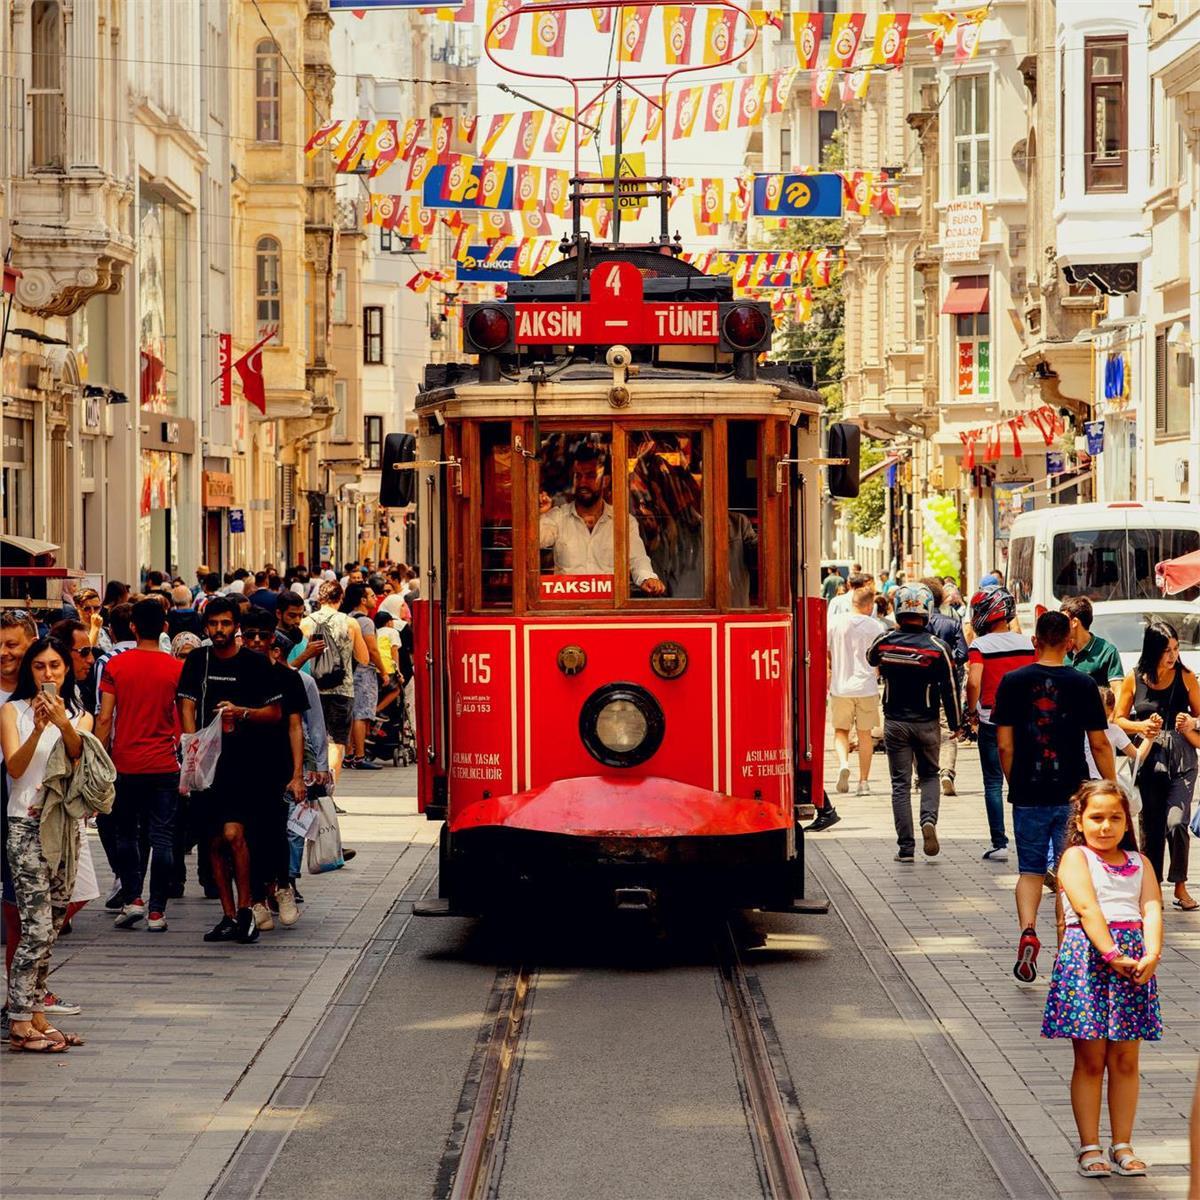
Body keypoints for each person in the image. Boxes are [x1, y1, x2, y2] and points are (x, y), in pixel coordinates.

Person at [1041, 780, 1162, 1179]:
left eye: (1115, 817)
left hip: (1133, 963)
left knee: (1126, 1059)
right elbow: (1087, 908)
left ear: (1128, 821)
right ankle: (1089, 1145)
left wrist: (1151, 954)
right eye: (1097, 818)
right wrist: (1113, 955)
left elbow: (1151, 907)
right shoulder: (1075, 858)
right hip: (1090, 959)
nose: (1106, 826)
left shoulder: (1140, 862)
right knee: (1091, 1060)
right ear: (1081, 820)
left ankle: (1123, 1143)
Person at [993, 610, 1115, 984]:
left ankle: (1028, 930)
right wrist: (1110, 786)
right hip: (1071, 793)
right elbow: (1099, 743)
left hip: (1028, 792)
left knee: (1030, 871)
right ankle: (1065, 956)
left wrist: (1015, 781)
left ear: (1035, 642)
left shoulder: (1012, 682)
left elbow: (1004, 745)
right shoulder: (1082, 684)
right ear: (1069, 643)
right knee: (1069, 876)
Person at [1, 637, 92, 1051]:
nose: (49, 674)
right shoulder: (11, 711)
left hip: (66, 828)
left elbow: (78, 758)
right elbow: (16, 769)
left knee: (53, 926)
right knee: (34, 927)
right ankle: (19, 1021)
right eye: (40, 667)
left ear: (66, 669)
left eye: (55, 665)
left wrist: (63, 723)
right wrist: (37, 729)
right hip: (24, 826)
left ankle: (35, 1013)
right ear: (29, 671)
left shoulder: (79, 714)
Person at [177, 598, 283, 944]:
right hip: (207, 767)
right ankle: (228, 915)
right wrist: (193, 750)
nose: (219, 630)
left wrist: (242, 712)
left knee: (236, 835)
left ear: (235, 625)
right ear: (204, 626)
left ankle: (246, 909)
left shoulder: (254, 663)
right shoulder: (197, 659)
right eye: (213, 624)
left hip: (244, 764)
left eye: (225, 623)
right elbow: (187, 703)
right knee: (212, 840)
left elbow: (276, 714)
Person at [94, 598, 183, 933]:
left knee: (126, 833)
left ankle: (133, 899)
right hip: (164, 763)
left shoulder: (117, 666)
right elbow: (184, 717)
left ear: (132, 627)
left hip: (125, 763)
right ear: (164, 627)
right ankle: (158, 912)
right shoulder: (176, 668)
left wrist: (99, 756)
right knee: (162, 836)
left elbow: (105, 718)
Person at [866, 584, 962, 863]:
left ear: (899, 611)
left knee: (900, 784)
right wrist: (956, 723)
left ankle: (906, 848)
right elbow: (951, 688)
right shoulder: (937, 648)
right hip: (928, 723)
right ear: (927, 612)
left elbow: (870, 657)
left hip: (895, 723)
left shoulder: (885, 641)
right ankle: (928, 820)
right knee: (930, 775)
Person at [1114, 618, 1200, 912]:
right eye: (1166, 650)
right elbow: (1118, 718)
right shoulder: (1134, 677)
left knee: (1177, 822)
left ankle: (1179, 886)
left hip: (1182, 756)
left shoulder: (1186, 676)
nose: (1172, 655)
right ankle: (1151, 891)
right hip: (1149, 757)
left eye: (1175, 649)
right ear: (1153, 651)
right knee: (1150, 827)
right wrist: (1141, 726)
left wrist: (1190, 722)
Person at [239, 609, 305, 931]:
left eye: (261, 636)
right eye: (249, 635)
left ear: (272, 639)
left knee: (276, 828)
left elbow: (296, 727)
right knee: (248, 834)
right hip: (241, 764)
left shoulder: (288, 677)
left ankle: (282, 887)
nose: (255, 641)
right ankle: (256, 900)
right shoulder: (235, 673)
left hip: (277, 764)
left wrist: (297, 773)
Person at [965, 587, 1036, 862]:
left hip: (991, 721)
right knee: (1024, 781)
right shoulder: (1028, 643)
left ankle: (1000, 843)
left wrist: (970, 711)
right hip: (1026, 721)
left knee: (993, 783)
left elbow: (974, 681)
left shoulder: (980, 646)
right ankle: (1028, 837)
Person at [538, 445, 666, 595]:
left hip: (609, 609)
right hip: (568, 608)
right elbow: (536, 540)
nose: (583, 483)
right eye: (578, 476)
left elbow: (637, 558)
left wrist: (647, 578)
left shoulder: (623, 521)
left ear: (605, 480)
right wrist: (538, 514)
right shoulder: (558, 517)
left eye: (591, 476)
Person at [302, 580, 369, 781]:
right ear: (340, 598)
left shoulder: (306, 622)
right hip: (342, 689)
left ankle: (312, 785)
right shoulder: (350, 623)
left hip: (313, 688)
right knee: (336, 743)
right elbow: (364, 658)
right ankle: (328, 793)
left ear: (319, 598)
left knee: (312, 739)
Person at [826, 584, 885, 809]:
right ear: (869, 605)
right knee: (865, 736)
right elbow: (879, 658)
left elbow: (827, 652)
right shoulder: (875, 626)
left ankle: (843, 763)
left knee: (841, 731)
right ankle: (863, 782)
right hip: (866, 687)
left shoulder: (835, 624)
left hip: (841, 686)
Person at [924, 578, 969, 797]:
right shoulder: (952, 622)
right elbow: (963, 653)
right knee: (948, 729)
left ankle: (919, 775)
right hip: (946, 682)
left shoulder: (916, 624)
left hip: (921, 686)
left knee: (922, 726)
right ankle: (947, 772)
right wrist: (949, 662)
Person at [342, 583, 387, 771]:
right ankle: (359, 757)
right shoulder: (366, 622)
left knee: (352, 714)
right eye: (371, 596)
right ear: (362, 600)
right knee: (361, 713)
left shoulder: (347, 619)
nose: (375, 598)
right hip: (364, 671)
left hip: (349, 670)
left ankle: (349, 754)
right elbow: (373, 649)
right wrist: (384, 671)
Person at [1062, 596, 1125, 688]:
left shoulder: (1107, 652)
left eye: (1063, 620)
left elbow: (1118, 691)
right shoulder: (1059, 648)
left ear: (1074, 622)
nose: (1058, 623)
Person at [49, 619, 98, 715]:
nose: (91, 660)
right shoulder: (49, 693)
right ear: (63, 652)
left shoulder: (77, 689)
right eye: (85, 652)